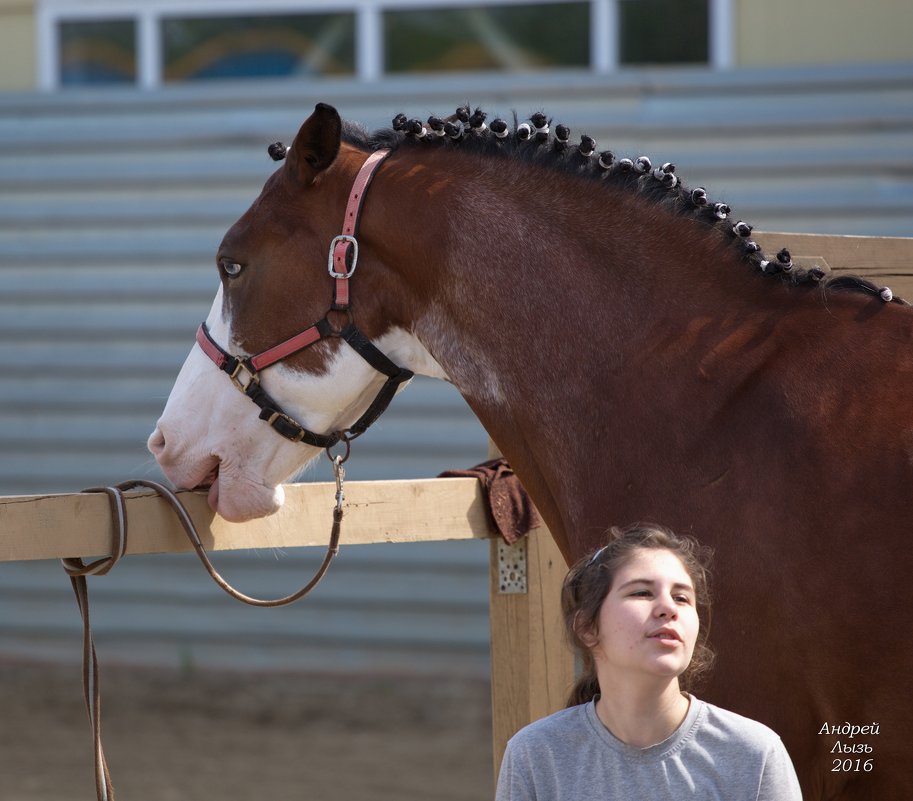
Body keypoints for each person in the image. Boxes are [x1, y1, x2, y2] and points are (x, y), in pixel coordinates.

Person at [495, 522, 802, 801]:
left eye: (682, 597)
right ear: (588, 628)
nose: (668, 608)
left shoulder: (754, 755)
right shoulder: (536, 755)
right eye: (642, 592)